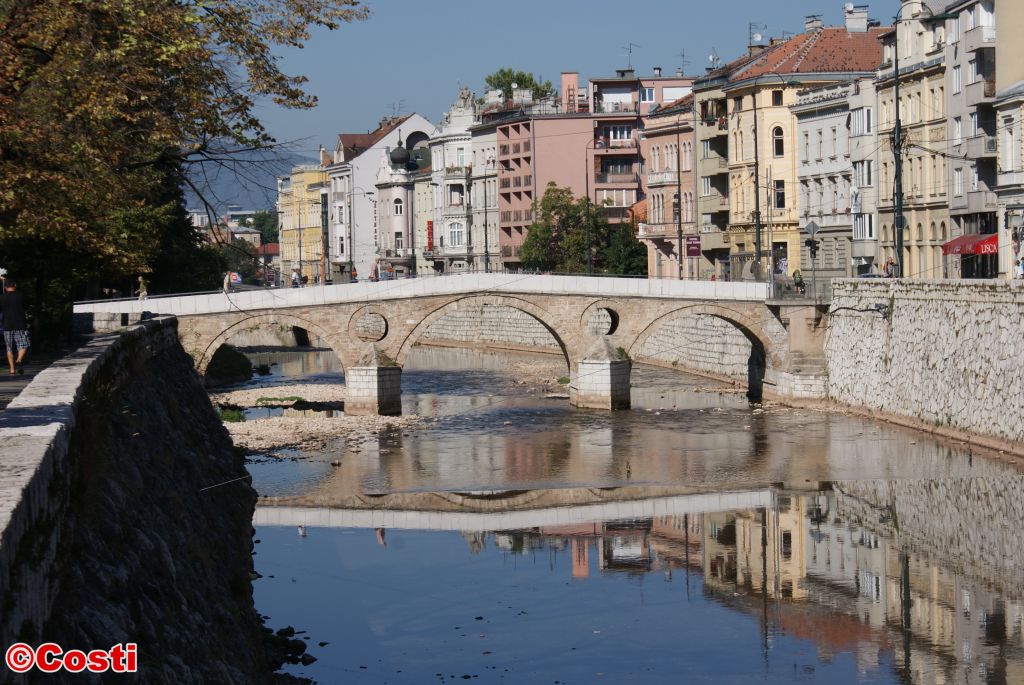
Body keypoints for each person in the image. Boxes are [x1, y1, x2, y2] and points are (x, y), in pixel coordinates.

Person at [2, 280, 29, 375]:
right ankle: (19, 359)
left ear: (5, 287)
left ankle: (12, 369)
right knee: (24, 344)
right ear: (15, 286)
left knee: (9, 347)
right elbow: (26, 307)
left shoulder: (1, 297)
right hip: (20, 324)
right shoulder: (21, 295)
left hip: (7, 325)